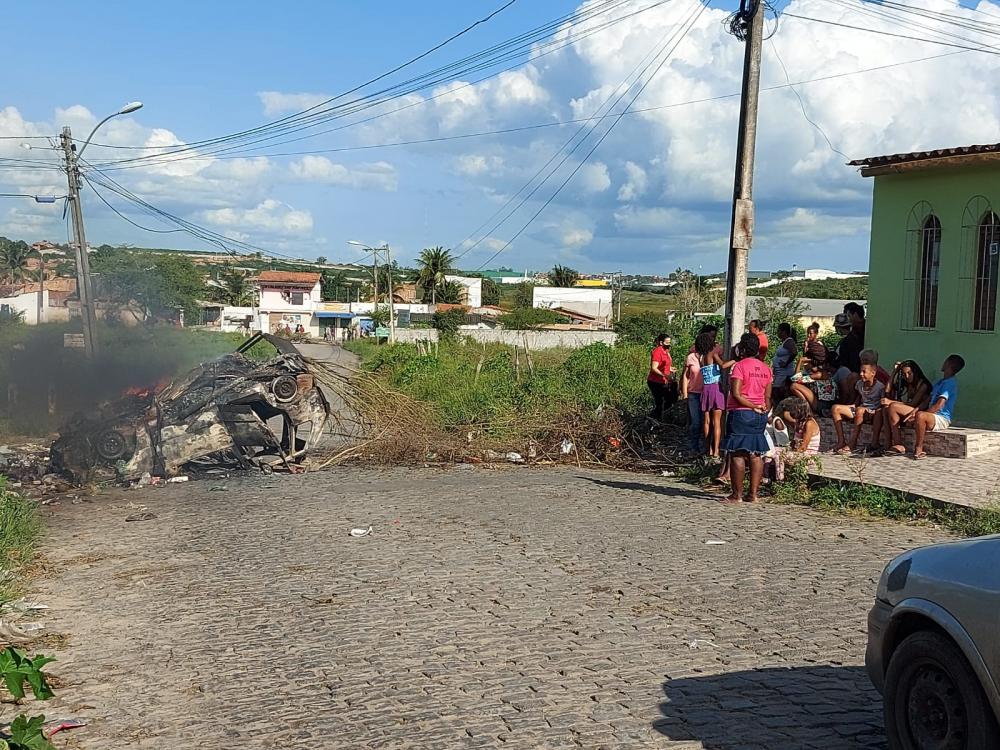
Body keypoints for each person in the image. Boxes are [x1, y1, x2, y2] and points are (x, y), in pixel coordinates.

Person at [720, 333, 773, 504]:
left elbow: (736, 394)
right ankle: (754, 494)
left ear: (742, 349)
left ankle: (737, 495)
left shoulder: (739, 366)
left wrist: (751, 406)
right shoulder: (766, 368)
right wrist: (763, 409)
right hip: (760, 415)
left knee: (737, 453)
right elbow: (768, 396)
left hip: (741, 413)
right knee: (755, 453)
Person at [886, 354, 965, 459]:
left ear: (949, 365)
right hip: (929, 415)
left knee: (921, 416)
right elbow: (926, 401)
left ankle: (919, 449)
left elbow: (939, 405)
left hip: (941, 418)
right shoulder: (939, 382)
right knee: (893, 407)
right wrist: (914, 412)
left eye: (946, 361)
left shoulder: (950, 383)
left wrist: (919, 414)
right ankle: (898, 444)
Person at [830, 362, 885, 454]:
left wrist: (873, 411)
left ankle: (853, 443)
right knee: (835, 408)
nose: (861, 374)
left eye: (864, 372)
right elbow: (859, 399)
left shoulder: (880, 387)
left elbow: (882, 404)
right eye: (860, 371)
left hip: (872, 412)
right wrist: (851, 406)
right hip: (861, 409)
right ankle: (841, 441)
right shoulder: (859, 384)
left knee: (860, 410)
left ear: (873, 373)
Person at [696, 331, 734, 458]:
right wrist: (735, 360)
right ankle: (716, 450)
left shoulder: (700, 357)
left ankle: (708, 449)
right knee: (716, 422)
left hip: (705, 389)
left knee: (706, 421)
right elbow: (723, 365)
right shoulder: (713, 353)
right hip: (715, 388)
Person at [832, 303, 866, 404]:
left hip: (856, 371)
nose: (848, 319)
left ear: (855, 314)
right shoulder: (851, 335)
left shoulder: (867, 330)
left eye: (848, 315)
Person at [681, 336, 705, 454]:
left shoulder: (710, 357)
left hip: (706, 394)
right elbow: (686, 376)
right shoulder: (690, 357)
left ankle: (704, 447)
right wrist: (685, 393)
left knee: (705, 422)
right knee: (696, 422)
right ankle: (693, 446)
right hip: (694, 394)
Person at [647, 333, 673, 421]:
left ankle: (663, 418)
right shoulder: (657, 352)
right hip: (655, 381)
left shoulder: (666, 351)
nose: (669, 344)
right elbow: (654, 368)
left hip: (664, 380)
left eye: (669, 342)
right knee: (660, 402)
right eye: (667, 342)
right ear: (661, 342)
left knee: (669, 400)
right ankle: (656, 419)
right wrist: (664, 375)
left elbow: (665, 364)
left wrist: (670, 369)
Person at [770, 323, 797, 401]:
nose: (777, 333)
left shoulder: (789, 341)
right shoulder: (784, 342)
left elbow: (794, 352)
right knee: (776, 392)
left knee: (777, 393)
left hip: (784, 374)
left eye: (779, 331)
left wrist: (786, 363)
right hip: (779, 373)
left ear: (784, 332)